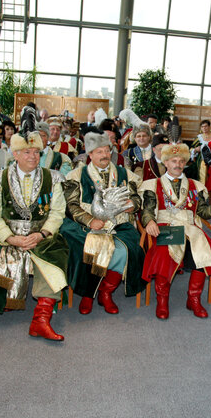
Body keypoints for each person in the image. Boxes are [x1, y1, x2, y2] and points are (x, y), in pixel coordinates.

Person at [0, 129, 70, 341]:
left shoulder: (53, 178)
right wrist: (10, 238)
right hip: (7, 235)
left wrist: (42, 234)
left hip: (41, 235)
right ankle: (6, 299)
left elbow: (57, 212)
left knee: (54, 254)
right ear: (15, 155)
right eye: (26, 152)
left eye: (36, 151)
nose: (33, 156)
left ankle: (41, 319)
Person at [139, 142, 211, 319]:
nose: (177, 164)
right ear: (166, 163)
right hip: (165, 226)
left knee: (204, 250)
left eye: (181, 161)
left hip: (190, 227)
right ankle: (162, 300)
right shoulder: (152, 185)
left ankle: (193, 298)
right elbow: (147, 210)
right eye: (173, 161)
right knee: (164, 253)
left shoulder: (195, 186)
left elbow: (203, 212)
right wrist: (149, 221)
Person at [61, 131, 145, 315]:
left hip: (120, 223)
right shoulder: (76, 175)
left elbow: (137, 197)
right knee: (91, 248)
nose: (105, 155)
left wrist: (133, 205)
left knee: (127, 250)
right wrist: (90, 220)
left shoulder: (123, 173)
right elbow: (70, 205)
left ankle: (105, 292)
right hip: (86, 225)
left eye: (107, 150)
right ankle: (88, 294)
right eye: (99, 152)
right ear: (89, 154)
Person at [121, 114, 156, 180]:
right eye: (139, 136)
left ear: (149, 137)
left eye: (144, 136)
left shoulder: (156, 151)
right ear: (135, 138)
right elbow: (126, 172)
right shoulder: (128, 153)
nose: (141, 138)